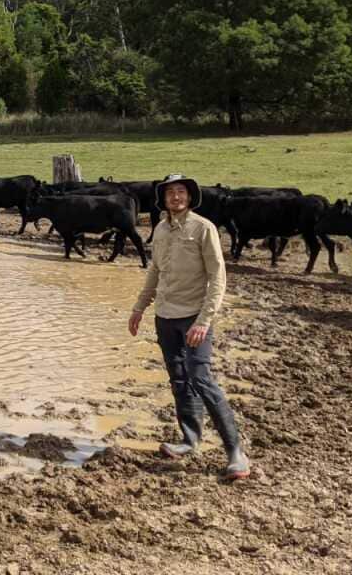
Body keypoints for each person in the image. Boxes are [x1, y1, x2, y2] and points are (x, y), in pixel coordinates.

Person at [128, 174, 250, 480]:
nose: (176, 197)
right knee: (179, 379)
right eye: (170, 193)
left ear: (190, 197)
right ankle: (190, 438)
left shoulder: (204, 228)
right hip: (165, 316)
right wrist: (139, 307)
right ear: (163, 199)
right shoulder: (160, 228)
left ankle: (235, 451)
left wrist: (204, 320)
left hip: (194, 317)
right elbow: (154, 271)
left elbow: (218, 279)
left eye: (181, 192)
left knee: (201, 378)